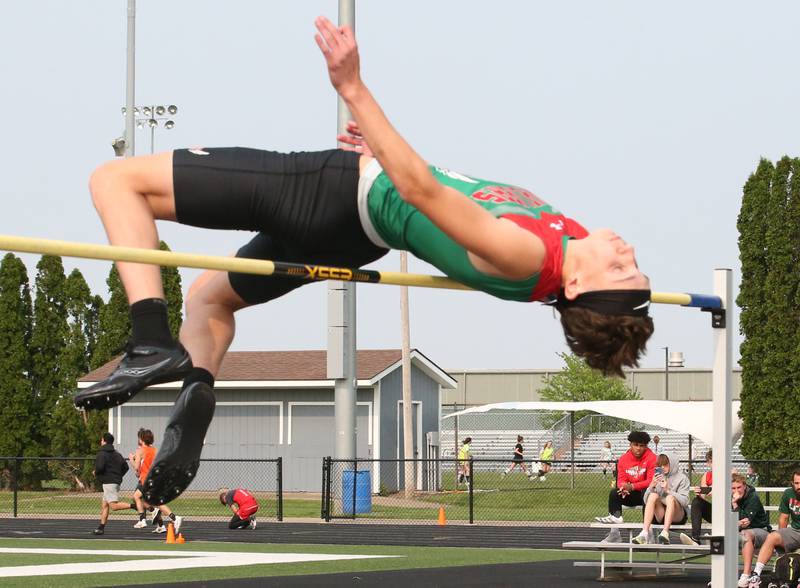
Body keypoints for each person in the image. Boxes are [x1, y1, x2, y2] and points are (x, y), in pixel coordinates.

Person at [73, 15, 653, 506]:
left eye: (622, 270)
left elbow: (425, 192)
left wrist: (352, 86)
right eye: (635, 266)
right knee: (209, 297)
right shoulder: (561, 247)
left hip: (329, 194)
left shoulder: (528, 255)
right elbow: (442, 196)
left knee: (117, 181)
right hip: (357, 231)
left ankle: (149, 337)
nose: (627, 254)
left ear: (576, 286)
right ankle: (197, 387)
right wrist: (381, 150)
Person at [595, 431, 657, 543]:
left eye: (642, 445)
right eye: (636, 445)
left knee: (648, 491)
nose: (638, 448)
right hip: (630, 494)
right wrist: (623, 488)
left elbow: (651, 481)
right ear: (630, 445)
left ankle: (648, 532)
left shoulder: (652, 458)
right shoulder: (623, 459)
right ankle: (615, 532)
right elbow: (620, 480)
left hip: (646, 495)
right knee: (614, 492)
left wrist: (632, 486)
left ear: (646, 446)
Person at [745, 469, 800, 587]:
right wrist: (782, 540)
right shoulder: (788, 494)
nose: (799, 486)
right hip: (795, 531)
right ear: (792, 483)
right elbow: (783, 518)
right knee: (772, 537)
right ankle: (756, 575)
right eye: (797, 483)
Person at [129, 428, 183, 534]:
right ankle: (163, 524)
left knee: (137, 497)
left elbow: (136, 467)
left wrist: (131, 459)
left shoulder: (140, 451)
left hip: (146, 480)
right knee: (152, 502)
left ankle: (143, 520)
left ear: (141, 439)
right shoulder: (155, 450)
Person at [722, 473, 771, 588]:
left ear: (744, 486)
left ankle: (746, 574)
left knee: (745, 534)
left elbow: (746, 522)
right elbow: (726, 520)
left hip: (761, 531)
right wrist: (736, 523)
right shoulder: (727, 497)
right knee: (722, 536)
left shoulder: (753, 497)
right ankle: (722, 575)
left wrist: (735, 504)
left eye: (739, 487)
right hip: (738, 531)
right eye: (733, 488)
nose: (736, 491)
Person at [632, 452, 690, 545]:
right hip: (661, 514)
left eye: (665, 465)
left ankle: (665, 532)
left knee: (670, 498)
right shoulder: (658, 477)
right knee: (653, 495)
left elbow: (685, 501)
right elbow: (646, 501)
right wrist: (651, 486)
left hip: (678, 515)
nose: (662, 467)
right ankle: (644, 533)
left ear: (672, 463)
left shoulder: (682, 478)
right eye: (660, 465)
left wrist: (668, 491)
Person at [92, 432, 133, 536]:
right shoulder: (117, 454)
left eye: (101, 440)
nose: (101, 442)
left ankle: (135, 506)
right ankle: (101, 528)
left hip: (109, 483)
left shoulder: (102, 454)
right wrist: (118, 476)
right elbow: (126, 467)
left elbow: (100, 467)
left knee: (113, 506)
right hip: (114, 482)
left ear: (104, 441)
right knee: (105, 505)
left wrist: (95, 472)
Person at [680, 450, 713, 546]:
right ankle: (695, 539)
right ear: (708, 463)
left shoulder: (730, 473)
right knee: (696, 501)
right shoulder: (707, 476)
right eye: (711, 462)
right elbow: (703, 497)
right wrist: (699, 493)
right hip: (714, 511)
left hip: (728, 511)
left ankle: (714, 538)